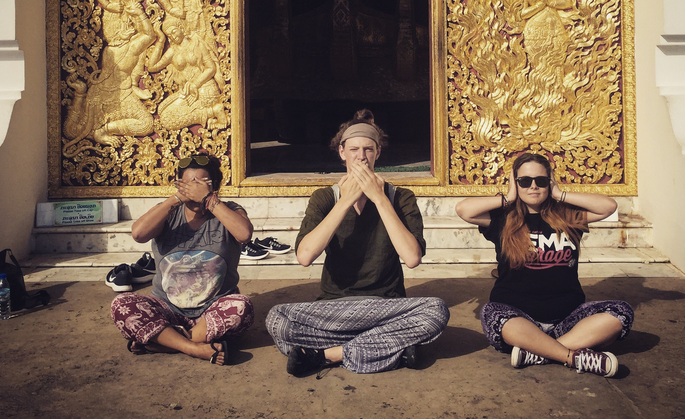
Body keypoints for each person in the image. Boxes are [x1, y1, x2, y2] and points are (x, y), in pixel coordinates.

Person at [265, 109, 450, 376]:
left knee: (436, 311)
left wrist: (380, 199)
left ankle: (328, 354)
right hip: (334, 307)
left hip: (386, 306)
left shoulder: (401, 197)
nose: (361, 157)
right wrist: (344, 202)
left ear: (378, 153)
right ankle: (388, 348)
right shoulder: (325, 198)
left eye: (368, 149)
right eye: (353, 150)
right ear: (342, 153)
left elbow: (411, 258)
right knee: (277, 320)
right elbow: (305, 256)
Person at [456, 152, 633, 377]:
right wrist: (509, 197)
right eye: (524, 181)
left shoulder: (567, 216)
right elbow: (463, 210)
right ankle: (569, 355)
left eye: (541, 181)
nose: (533, 186)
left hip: (567, 319)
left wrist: (560, 193)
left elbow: (608, 207)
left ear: (549, 182)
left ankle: (538, 352)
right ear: (515, 183)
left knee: (621, 313)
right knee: (493, 313)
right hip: (518, 317)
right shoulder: (503, 219)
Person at [111, 154, 254, 365]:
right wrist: (177, 198)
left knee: (242, 307)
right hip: (167, 308)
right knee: (121, 303)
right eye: (188, 185)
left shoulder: (230, 210)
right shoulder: (167, 212)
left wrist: (208, 200)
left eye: (202, 184)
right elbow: (138, 234)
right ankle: (194, 348)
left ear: (214, 186)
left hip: (212, 308)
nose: (194, 192)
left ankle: (161, 342)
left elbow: (244, 234)